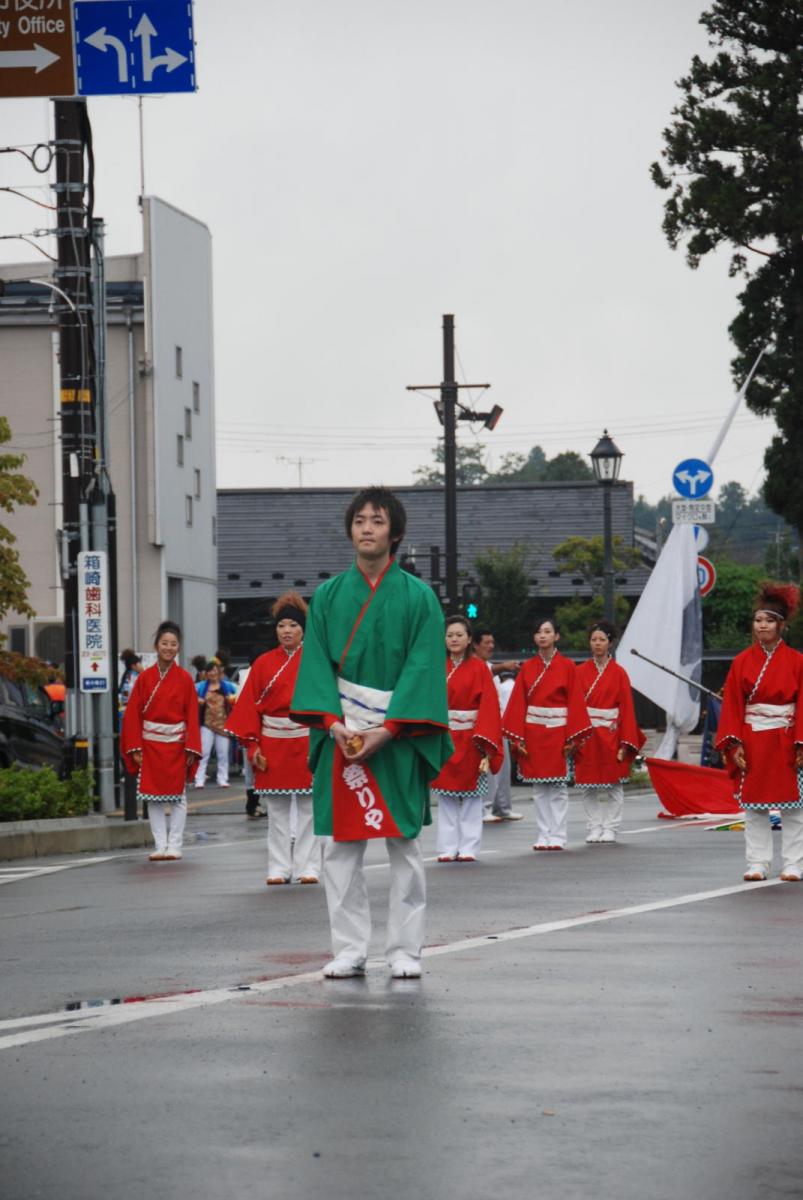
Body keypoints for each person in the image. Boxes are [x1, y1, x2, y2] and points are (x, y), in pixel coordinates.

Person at [291, 485, 451, 979]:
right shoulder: (329, 596)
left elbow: (424, 666)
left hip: (397, 734)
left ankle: (405, 950)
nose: (367, 528)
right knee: (339, 846)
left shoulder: (419, 597)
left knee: (403, 844)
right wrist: (335, 725)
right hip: (343, 734)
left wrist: (391, 728)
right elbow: (315, 663)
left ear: (395, 533)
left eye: (377, 521)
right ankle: (349, 947)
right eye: (360, 520)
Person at [227, 594, 321, 885]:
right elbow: (248, 709)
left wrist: (321, 743)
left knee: (308, 810)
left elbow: (326, 705)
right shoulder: (263, 663)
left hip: (305, 740)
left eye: (293, 624)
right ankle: (279, 866)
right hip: (272, 742)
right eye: (282, 625)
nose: (287, 630)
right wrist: (253, 746)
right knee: (277, 810)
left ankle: (309, 866)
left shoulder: (316, 660)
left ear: (303, 629)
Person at [715, 584, 803, 883]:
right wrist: (734, 743)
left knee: (794, 807)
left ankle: (793, 863)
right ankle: (758, 862)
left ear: (782, 625)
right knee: (754, 807)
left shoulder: (797, 661)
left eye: (768, 620)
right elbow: (732, 706)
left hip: (786, 739)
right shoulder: (741, 662)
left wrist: (801, 742)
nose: (762, 625)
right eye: (758, 620)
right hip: (752, 740)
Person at [502, 616, 591, 851]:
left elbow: (575, 702)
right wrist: (518, 735)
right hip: (533, 732)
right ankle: (543, 833)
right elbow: (518, 703)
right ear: (534, 637)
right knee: (539, 787)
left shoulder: (568, 667)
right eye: (539, 632)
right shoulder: (528, 667)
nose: (542, 635)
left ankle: (558, 834)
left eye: (547, 631)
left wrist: (572, 736)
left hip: (559, 732)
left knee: (559, 786)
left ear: (556, 636)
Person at [121, 621, 201, 861]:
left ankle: (175, 844)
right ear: (156, 646)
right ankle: (160, 844)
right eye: (164, 643)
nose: (168, 647)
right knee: (151, 796)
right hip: (149, 745)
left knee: (178, 797)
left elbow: (192, 716)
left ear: (178, 648)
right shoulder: (144, 678)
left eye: (173, 644)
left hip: (176, 744)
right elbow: (133, 713)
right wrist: (135, 746)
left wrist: (191, 747)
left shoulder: (185, 679)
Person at [433, 616, 503, 862]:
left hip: (473, 738)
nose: (454, 639)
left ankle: (469, 846)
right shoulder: (436, 666)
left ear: (469, 639)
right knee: (446, 794)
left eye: (459, 635)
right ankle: (447, 846)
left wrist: (484, 739)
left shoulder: (479, 669)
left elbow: (489, 706)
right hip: (444, 736)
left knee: (472, 795)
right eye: (450, 635)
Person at [574, 620, 645, 844]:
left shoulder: (619, 673)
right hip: (587, 735)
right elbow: (574, 705)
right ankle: (594, 826)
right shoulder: (579, 671)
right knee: (588, 786)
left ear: (610, 643)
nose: (597, 644)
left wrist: (626, 740)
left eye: (602, 640)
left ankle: (611, 827)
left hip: (611, 733)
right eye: (594, 639)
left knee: (614, 784)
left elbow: (627, 708)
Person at [472, 628, 523, 822]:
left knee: (503, 766)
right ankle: (484, 808)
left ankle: (503, 807)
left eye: (493, 642)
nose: (491, 646)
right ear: (475, 645)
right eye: (487, 643)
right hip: (482, 726)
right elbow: (488, 670)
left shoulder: (489, 667)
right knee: (487, 768)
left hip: (499, 723)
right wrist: (504, 666)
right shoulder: (476, 667)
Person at [235, 648, 269, 819]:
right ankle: (253, 804)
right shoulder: (247, 675)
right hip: (252, 727)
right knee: (253, 769)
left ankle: (255, 805)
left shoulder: (258, 673)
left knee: (258, 769)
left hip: (263, 727)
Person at [194, 661, 237, 788]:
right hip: (206, 724)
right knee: (204, 752)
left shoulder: (228, 686)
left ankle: (222, 779)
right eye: (210, 671)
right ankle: (199, 779)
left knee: (223, 754)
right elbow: (189, 695)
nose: (212, 673)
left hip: (223, 724)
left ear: (219, 672)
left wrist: (232, 698)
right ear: (206, 674)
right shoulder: (201, 686)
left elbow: (238, 694)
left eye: (214, 670)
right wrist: (198, 700)